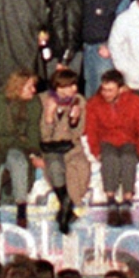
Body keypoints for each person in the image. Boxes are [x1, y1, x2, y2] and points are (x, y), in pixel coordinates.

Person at [0, 69, 41, 233]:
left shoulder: (34, 104)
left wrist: (34, 152)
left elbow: (33, 131)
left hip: (17, 145)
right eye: (29, 87)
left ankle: (21, 208)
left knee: (19, 163)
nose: (33, 90)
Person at [85, 69, 139, 227]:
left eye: (110, 90)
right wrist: (96, 151)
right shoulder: (94, 103)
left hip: (129, 140)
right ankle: (111, 200)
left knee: (129, 159)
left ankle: (127, 200)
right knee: (109, 159)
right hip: (106, 140)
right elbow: (91, 131)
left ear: (121, 89)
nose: (106, 94)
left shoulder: (135, 102)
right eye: (104, 89)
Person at [39, 67, 88, 233]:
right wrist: (48, 116)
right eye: (69, 86)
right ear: (58, 87)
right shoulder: (42, 100)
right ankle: (66, 204)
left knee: (81, 168)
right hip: (49, 146)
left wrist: (74, 120)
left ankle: (65, 209)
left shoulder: (79, 101)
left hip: (70, 146)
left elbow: (78, 133)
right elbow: (43, 136)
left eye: (75, 85)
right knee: (54, 166)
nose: (74, 89)